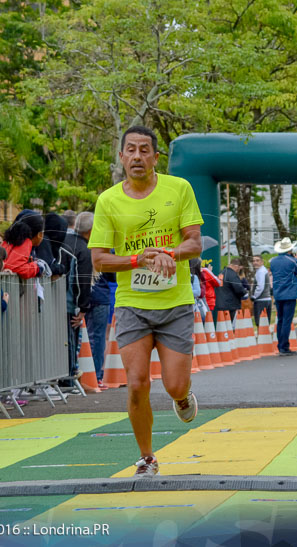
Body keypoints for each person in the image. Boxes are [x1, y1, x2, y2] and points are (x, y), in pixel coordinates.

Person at [89, 125, 203, 478]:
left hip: (175, 303)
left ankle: (182, 397)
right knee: (137, 382)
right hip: (132, 305)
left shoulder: (179, 189)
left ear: (155, 157)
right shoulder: (108, 200)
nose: (137, 156)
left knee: (174, 384)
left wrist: (170, 254)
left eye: (144, 150)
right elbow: (99, 259)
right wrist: (139, 259)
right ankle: (147, 457)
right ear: (121, 157)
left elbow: (195, 243)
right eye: (130, 150)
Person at [57, 210, 95, 386]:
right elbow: (82, 281)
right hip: (70, 303)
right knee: (69, 342)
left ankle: (65, 379)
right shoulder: (84, 250)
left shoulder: (64, 242)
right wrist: (83, 308)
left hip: (56, 301)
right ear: (90, 230)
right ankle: (68, 380)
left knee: (60, 341)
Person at [270, 237, 297, 356]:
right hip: (290, 294)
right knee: (286, 321)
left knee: (280, 320)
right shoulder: (292, 261)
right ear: (290, 249)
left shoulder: (273, 261)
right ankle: (284, 347)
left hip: (278, 294)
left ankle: (280, 345)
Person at [1, 210, 48, 279]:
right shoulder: (24, 243)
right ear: (39, 234)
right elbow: (17, 268)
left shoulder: (9, 241)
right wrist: (38, 267)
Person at [89, 268, 116, 388]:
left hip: (84, 296)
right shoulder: (103, 252)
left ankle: (92, 374)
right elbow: (113, 275)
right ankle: (96, 375)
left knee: (92, 337)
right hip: (100, 296)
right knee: (99, 337)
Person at [213, 258, 246, 325]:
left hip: (220, 305)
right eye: (239, 269)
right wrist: (244, 292)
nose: (238, 271)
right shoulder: (232, 275)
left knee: (223, 329)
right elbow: (239, 289)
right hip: (231, 306)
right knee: (232, 328)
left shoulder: (221, 273)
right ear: (237, 266)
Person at [250, 254, 272, 326]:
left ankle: (261, 337)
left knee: (260, 323)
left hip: (261, 300)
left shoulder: (260, 272)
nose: (255, 262)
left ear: (262, 262)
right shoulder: (263, 270)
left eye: (257, 260)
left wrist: (254, 296)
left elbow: (260, 286)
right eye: (253, 261)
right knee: (265, 322)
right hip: (267, 299)